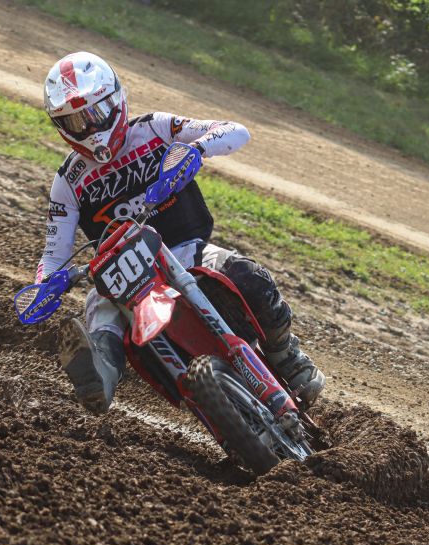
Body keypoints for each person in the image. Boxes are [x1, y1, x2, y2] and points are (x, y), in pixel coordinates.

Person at [38, 51, 324, 415]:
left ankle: (285, 354)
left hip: (184, 251)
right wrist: (45, 284)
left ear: (116, 100)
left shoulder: (154, 129)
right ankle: (100, 375)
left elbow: (236, 131)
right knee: (99, 306)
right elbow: (54, 253)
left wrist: (196, 149)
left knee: (245, 274)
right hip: (124, 278)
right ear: (61, 126)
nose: (90, 129)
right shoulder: (68, 181)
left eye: (96, 113)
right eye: (76, 122)